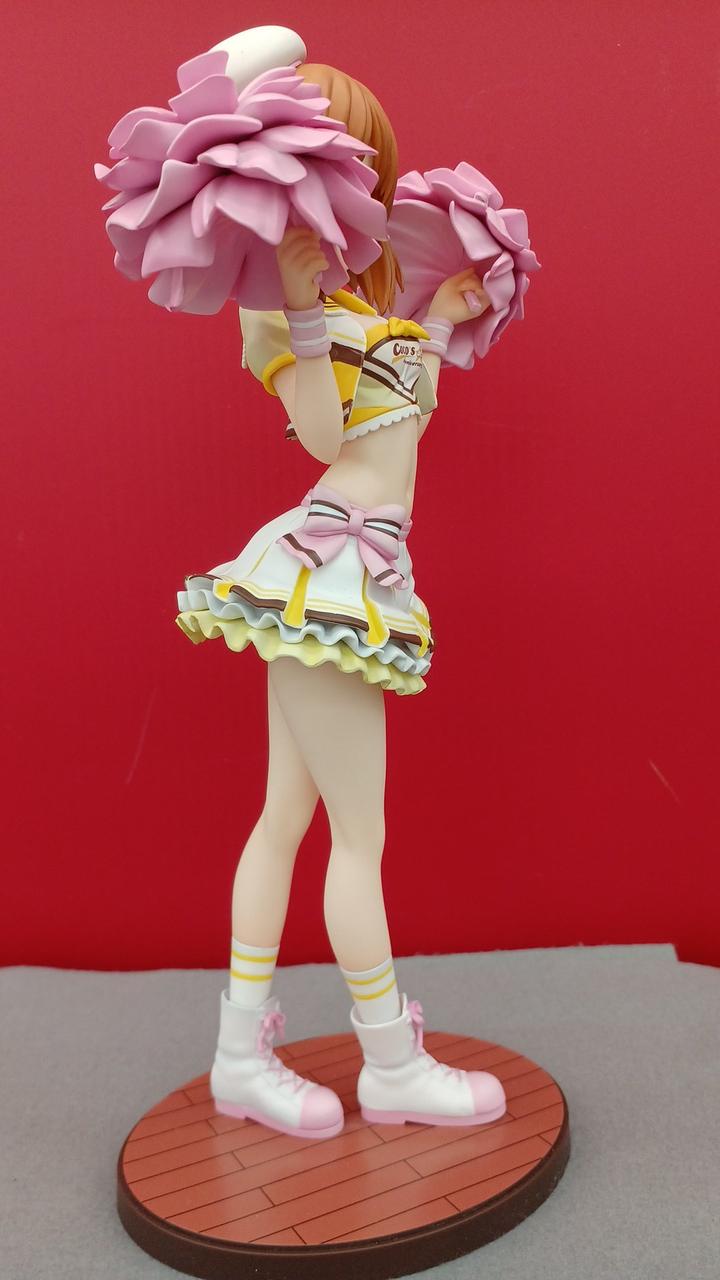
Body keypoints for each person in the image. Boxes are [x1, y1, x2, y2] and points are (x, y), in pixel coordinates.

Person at [176, 55, 508, 1141]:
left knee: (285, 817)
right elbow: (326, 437)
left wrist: (439, 312)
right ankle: (391, 1063)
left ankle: (238, 1057)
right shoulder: (286, 309)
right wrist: (302, 303)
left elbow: (402, 415)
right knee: (356, 837)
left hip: (354, 567)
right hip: (334, 574)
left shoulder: (362, 310)